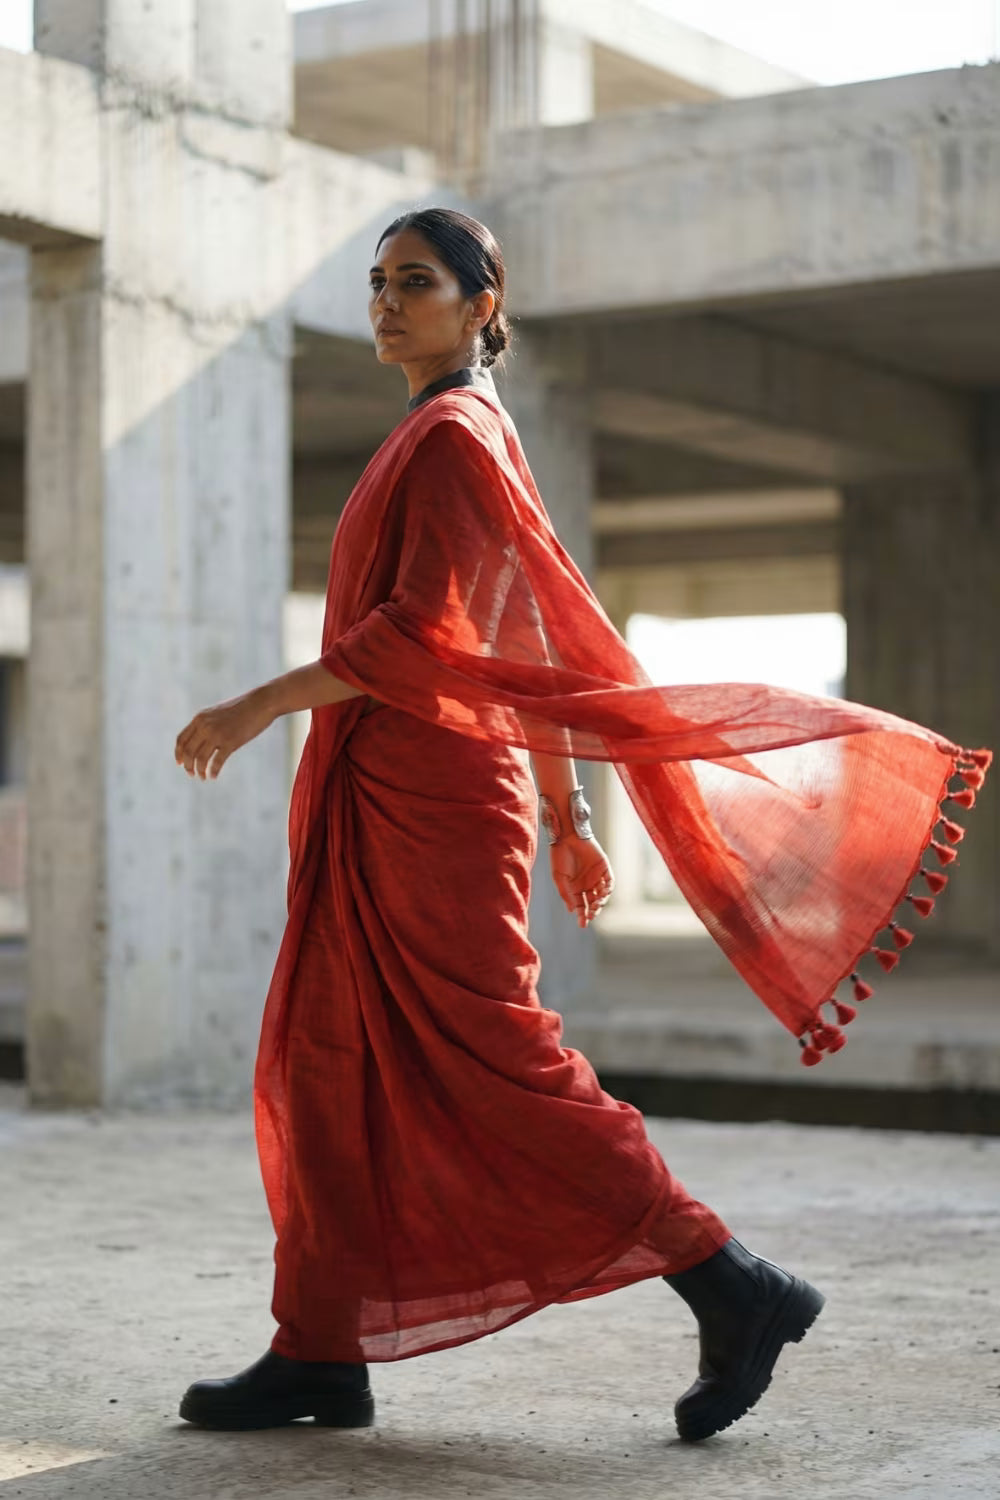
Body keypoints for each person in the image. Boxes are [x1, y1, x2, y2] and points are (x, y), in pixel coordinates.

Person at [172, 208, 989, 1442]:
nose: (388, 303)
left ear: (482, 308)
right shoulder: (449, 433)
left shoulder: (453, 433)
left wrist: (257, 704)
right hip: (397, 789)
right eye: (378, 283)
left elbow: (422, 640)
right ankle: (319, 1350)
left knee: (509, 1069)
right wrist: (564, 803)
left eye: (418, 283)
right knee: (326, 1064)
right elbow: (525, 645)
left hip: (430, 805)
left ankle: (733, 1282)